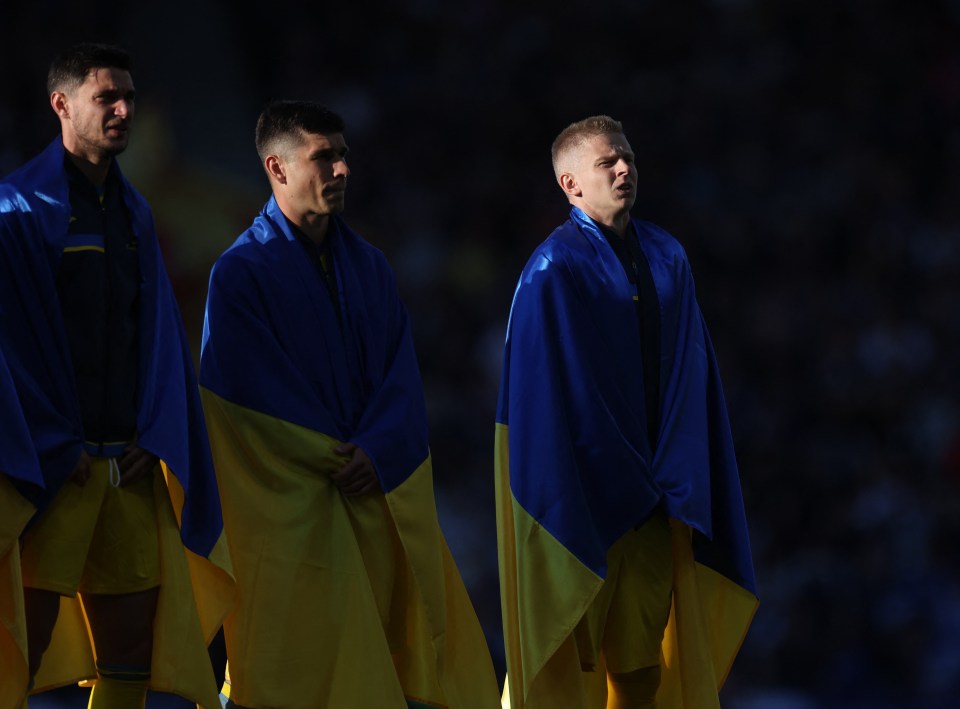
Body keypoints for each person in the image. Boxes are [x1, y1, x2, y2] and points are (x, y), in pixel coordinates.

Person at [199, 99, 500, 709]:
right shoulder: (240, 273)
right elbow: (245, 400)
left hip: (366, 495)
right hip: (291, 514)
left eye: (343, 156)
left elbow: (400, 378)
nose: (341, 170)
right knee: (289, 669)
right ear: (277, 169)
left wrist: (379, 449)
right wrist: (338, 457)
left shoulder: (371, 267)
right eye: (323, 157)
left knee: (373, 670)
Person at [495, 115, 759, 709]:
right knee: (561, 654)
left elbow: (693, 373)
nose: (624, 169)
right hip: (581, 502)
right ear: (571, 185)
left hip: (652, 499)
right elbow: (545, 400)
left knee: (640, 666)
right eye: (608, 161)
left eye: (630, 159)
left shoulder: (668, 257)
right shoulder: (550, 270)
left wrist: (680, 470)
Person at [0, 42, 233, 709]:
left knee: (130, 654)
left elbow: (155, 341)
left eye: (128, 96)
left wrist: (154, 431)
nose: (123, 110)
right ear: (62, 104)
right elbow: (8, 348)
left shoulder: (135, 215)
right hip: (48, 472)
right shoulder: (15, 211)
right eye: (107, 97)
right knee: (22, 644)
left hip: (126, 470)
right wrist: (51, 442)